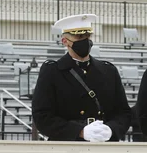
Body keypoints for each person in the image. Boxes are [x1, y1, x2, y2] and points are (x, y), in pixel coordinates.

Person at [31, 14, 131, 142]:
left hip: (104, 145)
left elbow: (123, 113)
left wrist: (111, 129)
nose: (84, 40)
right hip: (68, 145)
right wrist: (79, 131)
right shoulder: (53, 71)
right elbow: (42, 116)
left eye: (87, 36)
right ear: (65, 41)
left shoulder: (109, 71)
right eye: (78, 36)